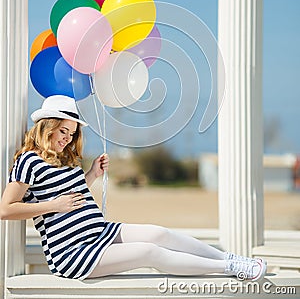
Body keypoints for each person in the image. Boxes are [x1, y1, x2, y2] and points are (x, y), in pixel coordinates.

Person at [0, 95, 266, 281]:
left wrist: (92, 175)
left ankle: (231, 257)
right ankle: (229, 267)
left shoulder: (65, 159)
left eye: (72, 134)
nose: (68, 139)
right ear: (47, 127)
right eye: (63, 132)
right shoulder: (28, 160)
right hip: (73, 253)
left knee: (159, 233)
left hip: (99, 232)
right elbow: (6, 209)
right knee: (149, 252)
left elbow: (74, 196)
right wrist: (53, 206)